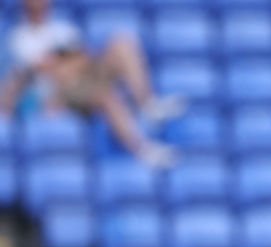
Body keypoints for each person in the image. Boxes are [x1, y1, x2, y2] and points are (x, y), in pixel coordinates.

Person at [0, 0, 183, 167]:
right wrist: (60, 64)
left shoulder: (62, 28)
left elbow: (82, 57)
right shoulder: (19, 38)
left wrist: (59, 63)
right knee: (104, 95)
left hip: (85, 75)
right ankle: (143, 149)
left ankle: (147, 104)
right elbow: (34, 75)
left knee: (122, 42)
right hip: (59, 93)